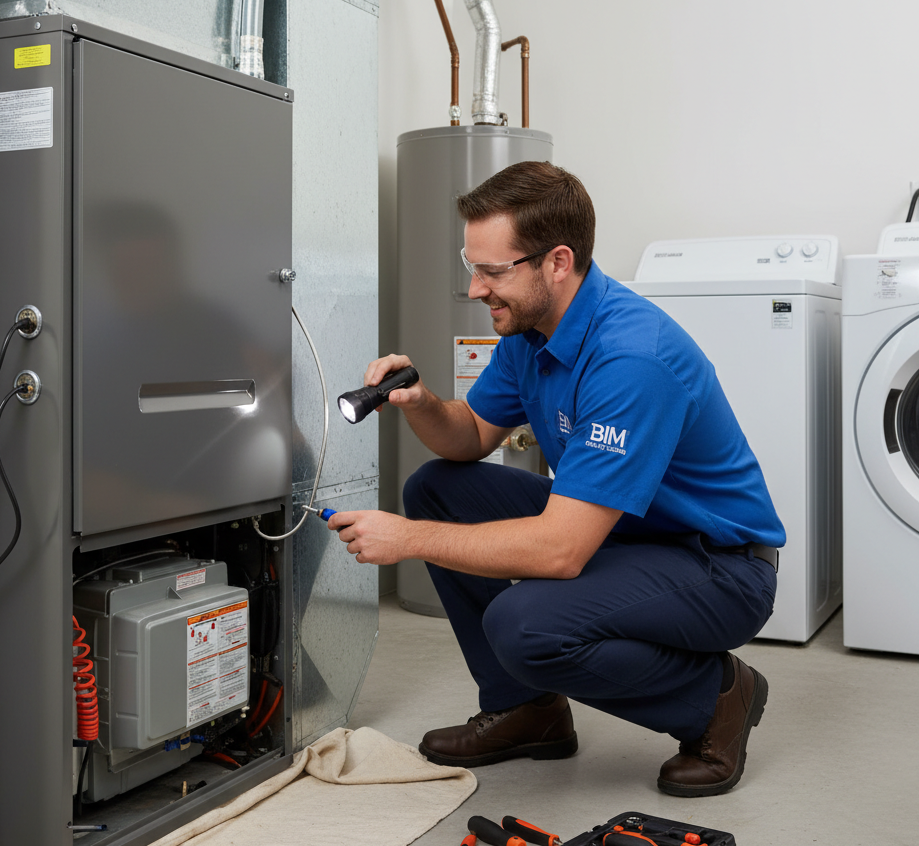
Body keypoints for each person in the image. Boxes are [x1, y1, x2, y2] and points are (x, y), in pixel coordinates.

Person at [329, 161, 784, 797]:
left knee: (524, 624)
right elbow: (469, 437)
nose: (474, 288)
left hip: (717, 565)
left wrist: (407, 542)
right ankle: (528, 711)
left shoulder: (631, 358)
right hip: (626, 528)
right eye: (472, 265)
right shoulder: (531, 328)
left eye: (492, 271)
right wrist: (424, 402)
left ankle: (716, 698)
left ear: (557, 262)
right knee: (437, 488)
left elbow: (561, 551)